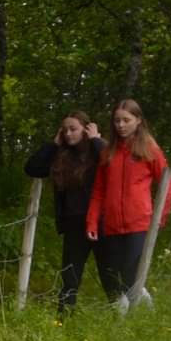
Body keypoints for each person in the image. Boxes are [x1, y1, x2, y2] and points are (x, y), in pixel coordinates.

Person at [81, 101, 171, 307]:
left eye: (126, 120)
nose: (121, 125)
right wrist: (92, 221)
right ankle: (126, 312)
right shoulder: (108, 152)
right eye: (117, 121)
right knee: (115, 273)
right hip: (111, 225)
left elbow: (167, 184)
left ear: (138, 120)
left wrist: (160, 217)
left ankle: (142, 314)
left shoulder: (150, 149)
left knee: (131, 275)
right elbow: (99, 191)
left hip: (139, 224)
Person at [25, 111, 104, 311]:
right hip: (73, 223)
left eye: (73, 129)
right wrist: (53, 145)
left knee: (110, 273)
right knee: (70, 276)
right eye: (65, 130)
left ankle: (126, 314)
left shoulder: (97, 151)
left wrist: (96, 140)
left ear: (86, 129)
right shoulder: (61, 155)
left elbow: (114, 165)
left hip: (102, 222)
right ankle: (64, 318)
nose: (68, 134)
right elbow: (33, 168)